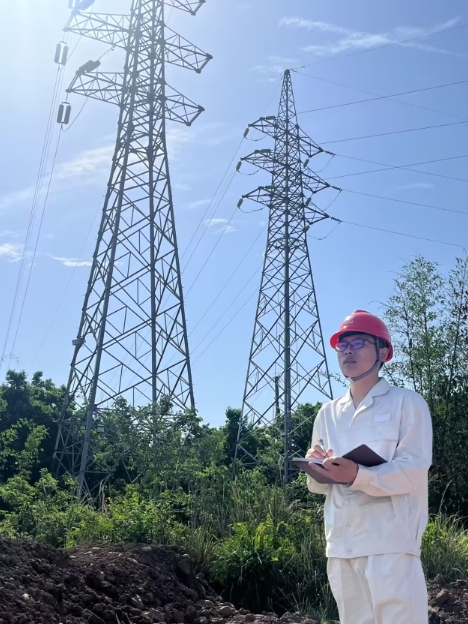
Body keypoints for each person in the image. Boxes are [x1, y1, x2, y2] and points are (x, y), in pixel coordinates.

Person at [305, 310, 432, 624]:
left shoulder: (407, 403)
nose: (348, 350)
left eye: (358, 342)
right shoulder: (327, 414)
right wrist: (316, 467)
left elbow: (413, 472)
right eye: (342, 345)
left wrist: (357, 475)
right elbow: (317, 487)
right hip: (341, 545)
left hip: (390, 544)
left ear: (383, 352)